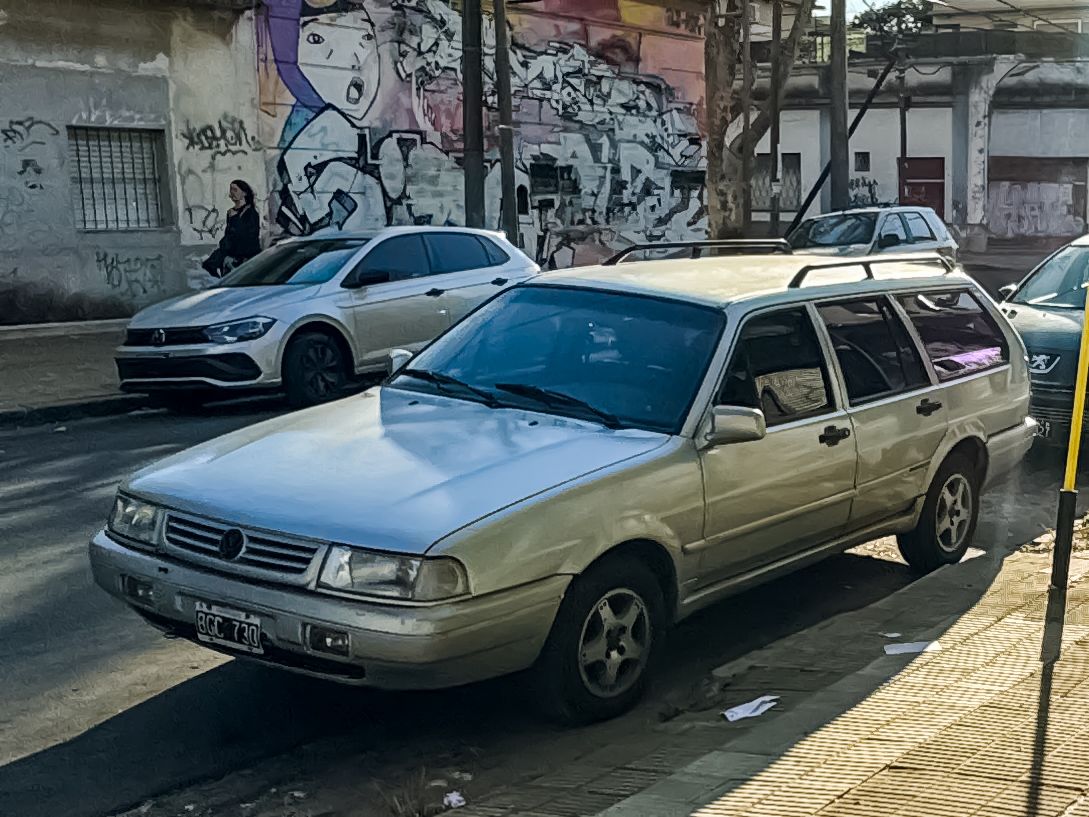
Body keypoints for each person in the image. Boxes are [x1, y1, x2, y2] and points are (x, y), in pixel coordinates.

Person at [202, 180, 261, 277]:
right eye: (231, 190)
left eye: (235, 190)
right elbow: (229, 234)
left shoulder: (251, 213)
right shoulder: (231, 212)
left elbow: (247, 235)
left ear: (244, 193)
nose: (232, 193)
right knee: (208, 265)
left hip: (244, 253)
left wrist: (235, 219)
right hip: (229, 250)